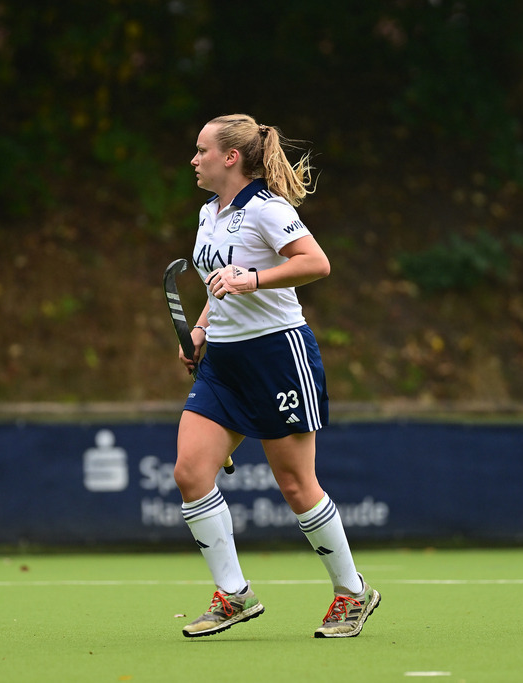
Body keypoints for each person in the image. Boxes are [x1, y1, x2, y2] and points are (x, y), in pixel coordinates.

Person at [173, 113, 380, 639]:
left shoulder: (268, 208)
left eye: (201, 150)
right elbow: (217, 284)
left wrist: (254, 279)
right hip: (223, 364)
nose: (193, 160)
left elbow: (316, 263)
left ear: (230, 157)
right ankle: (234, 595)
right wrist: (200, 329)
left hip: (277, 356)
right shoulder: (208, 214)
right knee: (190, 473)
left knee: (295, 484)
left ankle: (352, 593)